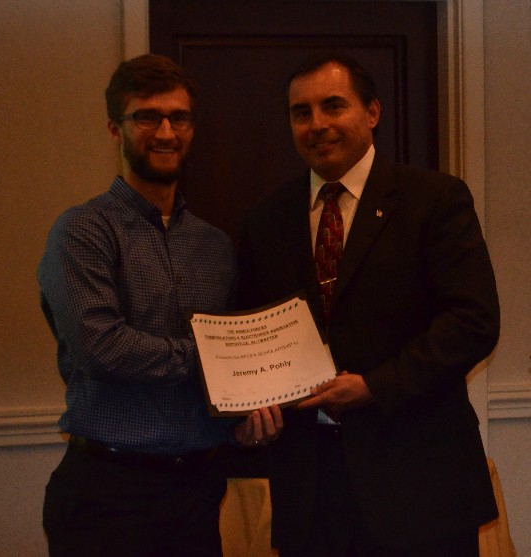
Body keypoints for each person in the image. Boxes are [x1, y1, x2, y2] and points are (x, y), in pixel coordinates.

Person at [237, 52, 500, 557]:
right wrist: (249, 406)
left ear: (373, 112)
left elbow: (474, 321)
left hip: (418, 484)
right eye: (301, 112)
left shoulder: (435, 200)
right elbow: (250, 332)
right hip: (309, 491)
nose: (317, 125)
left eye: (333, 106)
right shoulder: (264, 221)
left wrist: (375, 387)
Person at [38, 53, 282, 557]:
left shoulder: (215, 246)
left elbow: (223, 375)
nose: (165, 131)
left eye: (179, 117)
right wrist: (217, 358)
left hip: (196, 491)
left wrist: (244, 418)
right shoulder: (83, 231)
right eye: (146, 117)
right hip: (107, 494)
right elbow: (101, 348)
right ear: (115, 129)